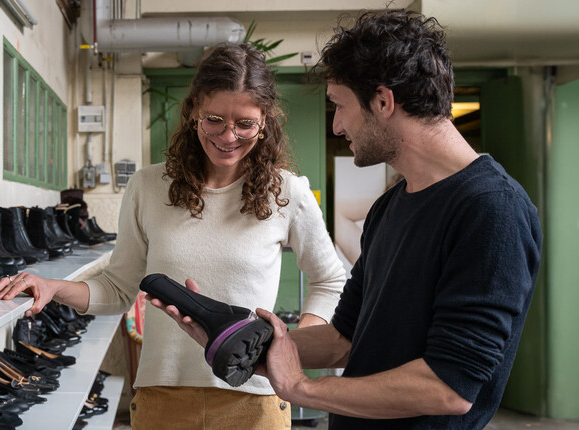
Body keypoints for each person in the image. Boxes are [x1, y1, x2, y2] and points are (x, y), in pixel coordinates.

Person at [153, 10, 542, 429]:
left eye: (339, 106)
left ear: (383, 101)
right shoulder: (392, 205)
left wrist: (300, 388)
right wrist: (240, 337)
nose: (337, 125)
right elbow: (343, 340)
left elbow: (449, 388)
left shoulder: (491, 210)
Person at [0, 43, 346, 429]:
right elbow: (118, 288)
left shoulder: (287, 193)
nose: (229, 137)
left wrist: (290, 347)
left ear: (266, 122)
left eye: (245, 123)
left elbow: (329, 279)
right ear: (194, 110)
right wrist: (54, 287)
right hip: (163, 397)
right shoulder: (147, 186)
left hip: (253, 398)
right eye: (214, 119)